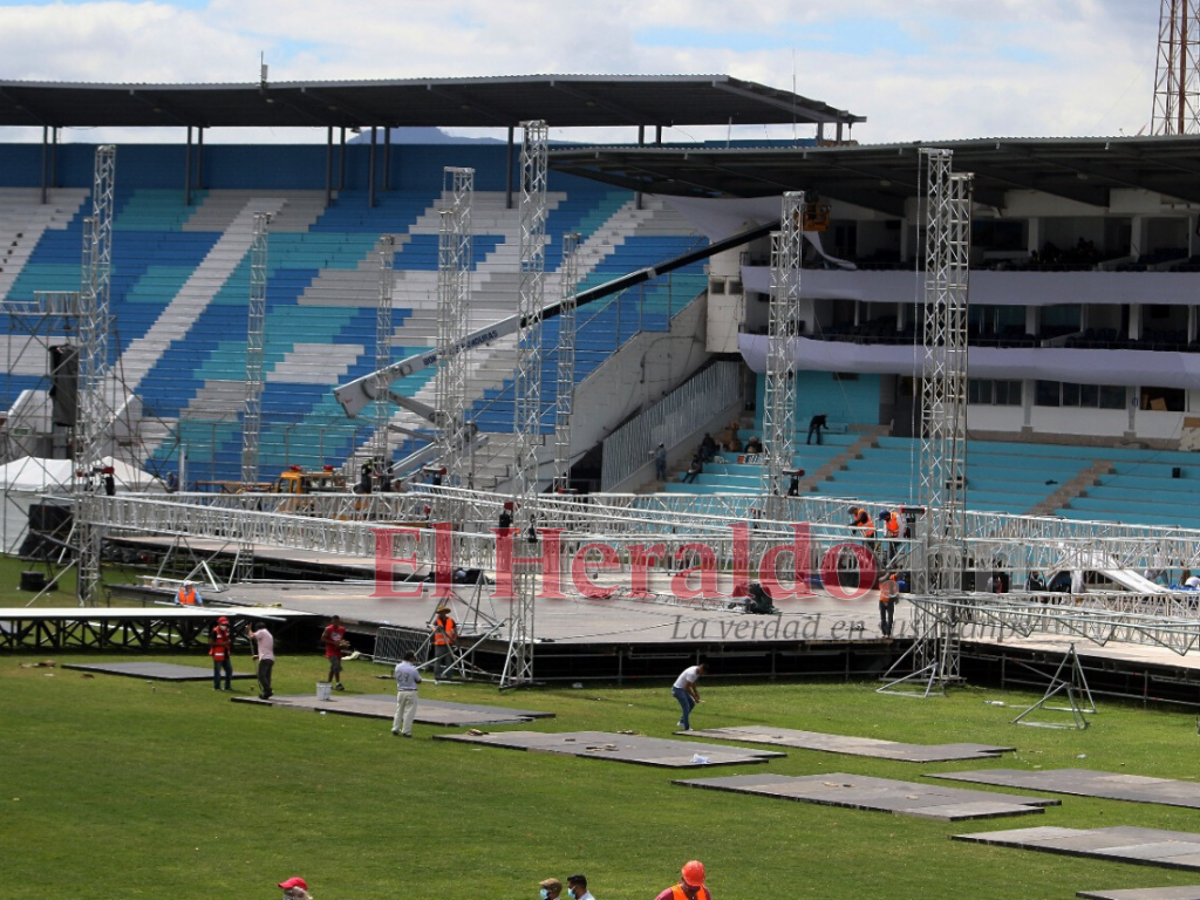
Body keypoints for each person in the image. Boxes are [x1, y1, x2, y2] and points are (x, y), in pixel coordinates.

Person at [391, 650, 422, 738]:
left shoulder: (397, 666)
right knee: (409, 712)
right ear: (410, 658)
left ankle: (395, 728)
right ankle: (406, 731)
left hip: (401, 691)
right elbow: (419, 680)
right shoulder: (413, 669)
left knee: (399, 711)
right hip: (411, 691)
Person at [672, 662, 705, 731]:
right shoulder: (692, 673)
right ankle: (686, 727)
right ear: (701, 669)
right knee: (686, 707)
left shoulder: (697, 671)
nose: (702, 674)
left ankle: (681, 721)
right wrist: (694, 697)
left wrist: (696, 694)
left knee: (692, 704)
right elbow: (687, 687)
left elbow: (693, 683)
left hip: (682, 689)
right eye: (702, 673)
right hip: (678, 689)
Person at [247, 620, 274, 700]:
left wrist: (249, 630)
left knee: (260, 675)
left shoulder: (261, 632)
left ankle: (267, 690)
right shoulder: (268, 634)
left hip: (265, 658)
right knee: (267, 676)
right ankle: (266, 693)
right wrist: (258, 656)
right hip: (270, 658)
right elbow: (266, 647)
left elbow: (252, 636)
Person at [321, 615, 348, 691]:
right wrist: (333, 643)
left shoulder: (342, 629)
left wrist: (343, 645)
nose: (336, 623)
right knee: (336, 664)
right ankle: (338, 683)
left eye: (337, 621)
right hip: (330, 651)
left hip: (337, 651)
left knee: (333, 668)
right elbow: (322, 639)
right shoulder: (328, 629)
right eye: (334, 621)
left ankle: (328, 684)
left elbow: (340, 639)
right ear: (332, 621)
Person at [431, 605, 457, 682]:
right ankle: (437, 677)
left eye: (442, 612)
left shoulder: (451, 621)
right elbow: (433, 629)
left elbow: (455, 632)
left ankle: (449, 677)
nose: (441, 613)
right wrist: (435, 628)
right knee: (438, 661)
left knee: (448, 661)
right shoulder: (437, 621)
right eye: (440, 612)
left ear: (445, 612)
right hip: (439, 645)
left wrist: (454, 639)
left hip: (449, 644)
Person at [209, 615, 233, 690]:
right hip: (218, 654)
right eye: (223, 624)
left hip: (225, 654)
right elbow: (211, 643)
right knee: (217, 671)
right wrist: (223, 644)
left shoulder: (226, 631)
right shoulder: (215, 631)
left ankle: (227, 686)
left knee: (229, 670)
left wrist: (228, 642)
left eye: (225, 624)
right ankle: (217, 686)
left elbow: (228, 639)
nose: (224, 626)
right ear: (219, 623)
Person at [878, 573, 898, 638]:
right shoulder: (882, 582)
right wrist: (888, 573)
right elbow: (882, 579)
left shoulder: (893, 583)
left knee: (890, 618)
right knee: (883, 618)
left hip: (890, 602)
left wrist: (896, 599)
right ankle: (884, 632)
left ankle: (888, 633)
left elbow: (895, 593)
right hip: (882, 601)